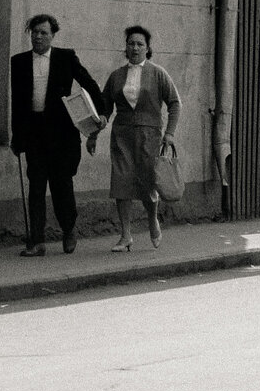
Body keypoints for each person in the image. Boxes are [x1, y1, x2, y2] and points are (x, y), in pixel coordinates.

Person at [10, 13, 103, 257]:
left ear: (53, 35)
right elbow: (17, 103)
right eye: (35, 32)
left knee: (62, 186)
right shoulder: (18, 62)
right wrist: (16, 136)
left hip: (62, 134)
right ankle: (37, 241)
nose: (38, 36)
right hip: (33, 133)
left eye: (44, 32)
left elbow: (89, 84)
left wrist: (100, 113)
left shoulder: (65, 58)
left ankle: (69, 228)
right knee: (36, 187)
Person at [90, 25, 181, 252]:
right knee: (121, 183)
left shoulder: (158, 73)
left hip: (149, 136)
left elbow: (175, 103)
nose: (135, 47)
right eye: (131, 43)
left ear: (148, 48)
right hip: (122, 135)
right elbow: (104, 109)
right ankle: (126, 235)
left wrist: (169, 134)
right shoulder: (116, 76)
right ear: (126, 47)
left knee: (148, 183)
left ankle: (152, 220)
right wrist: (94, 132)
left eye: (140, 44)